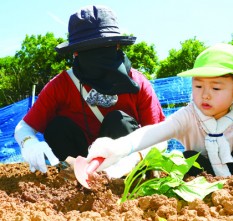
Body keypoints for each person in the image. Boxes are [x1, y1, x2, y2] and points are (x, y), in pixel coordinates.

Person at [86, 43, 233, 177]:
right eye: (198, 86)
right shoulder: (189, 116)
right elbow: (153, 132)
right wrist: (117, 147)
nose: (205, 94)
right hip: (210, 178)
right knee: (188, 157)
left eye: (216, 87)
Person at [14, 5, 165, 175]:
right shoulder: (61, 85)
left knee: (119, 121)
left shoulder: (137, 83)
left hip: (123, 165)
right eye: (89, 50)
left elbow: (158, 135)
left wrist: (137, 156)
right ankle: (75, 177)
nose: (98, 58)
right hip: (77, 164)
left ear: (117, 46)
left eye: (104, 47)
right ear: (76, 53)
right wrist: (29, 143)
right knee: (57, 127)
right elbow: (24, 127)